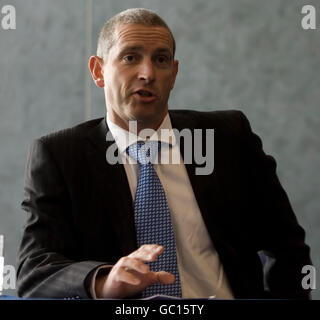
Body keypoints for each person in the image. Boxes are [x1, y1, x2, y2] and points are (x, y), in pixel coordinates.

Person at [17, 8, 312, 300]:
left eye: (161, 60)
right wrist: (104, 281)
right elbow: (35, 270)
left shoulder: (228, 138)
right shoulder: (60, 156)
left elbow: (287, 245)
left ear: (173, 73)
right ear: (98, 71)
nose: (147, 74)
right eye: (130, 57)